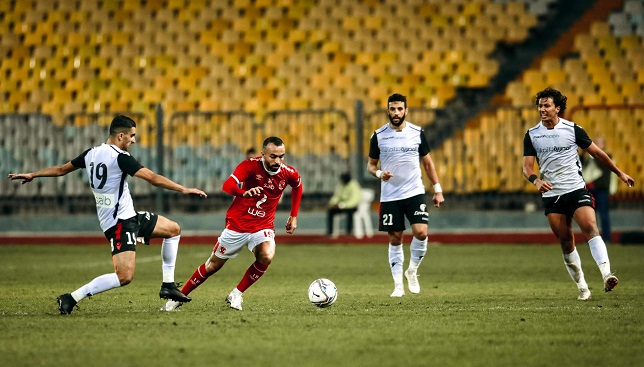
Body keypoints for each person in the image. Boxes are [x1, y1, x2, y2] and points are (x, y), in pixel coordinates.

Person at [8, 115, 207, 315]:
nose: (134, 141)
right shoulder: (120, 157)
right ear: (121, 136)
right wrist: (183, 189)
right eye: (132, 136)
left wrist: (34, 174)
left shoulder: (91, 154)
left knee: (173, 229)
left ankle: (168, 285)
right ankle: (71, 298)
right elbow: (153, 178)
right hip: (119, 223)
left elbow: (61, 170)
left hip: (129, 217)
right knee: (124, 276)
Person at [161, 136, 302, 311]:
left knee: (267, 255)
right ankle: (179, 296)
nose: (278, 161)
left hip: (262, 225)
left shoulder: (288, 172)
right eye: (273, 156)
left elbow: (297, 185)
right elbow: (227, 186)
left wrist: (293, 215)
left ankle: (236, 293)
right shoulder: (249, 166)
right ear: (263, 154)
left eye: (282, 156)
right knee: (212, 266)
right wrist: (244, 193)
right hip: (238, 225)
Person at [522, 88, 634, 301]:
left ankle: (606, 274)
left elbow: (598, 153)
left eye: (547, 106)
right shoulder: (532, 134)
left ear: (557, 108)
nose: (542, 109)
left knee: (591, 227)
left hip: (576, 189)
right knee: (566, 240)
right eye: (540, 106)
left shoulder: (573, 130)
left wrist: (620, 173)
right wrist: (536, 180)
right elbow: (527, 166)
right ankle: (582, 286)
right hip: (552, 195)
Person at [367, 93, 444, 297]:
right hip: (390, 195)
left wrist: (437, 189)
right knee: (395, 238)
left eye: (400, 109)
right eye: (392, 109)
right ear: (388, 110)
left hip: (414, 192)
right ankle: (398, 286)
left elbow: (427, 163)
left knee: (421, 232)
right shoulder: (378, 135)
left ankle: (412, 271)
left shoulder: (417, 133)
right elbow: (371, 165)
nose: (396, 113)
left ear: (406, 111)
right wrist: (379, 173)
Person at [580, 136, 615, 242]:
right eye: (594, 143)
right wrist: (581, 154)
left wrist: (591, 153)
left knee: (603, 214)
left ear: (603, 145)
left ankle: (607, 238)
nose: (595, 144)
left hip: (601, 189)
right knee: (590, 217)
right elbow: (579, 166)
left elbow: (601, 165)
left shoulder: (607, 156)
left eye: (598, 143)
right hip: (589, 189)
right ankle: (591, 238)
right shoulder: (589, 157)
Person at [326, 172, 362, 236]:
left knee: (349, 213)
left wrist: (342, 205)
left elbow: (354, 200)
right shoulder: (341, 185)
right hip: (341, 206)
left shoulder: (354, 185)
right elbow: (336, 196)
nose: (341, 181)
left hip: (351, 207)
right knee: (330, 211)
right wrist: (332, 204)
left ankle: (348, 232)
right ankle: (330, 231)